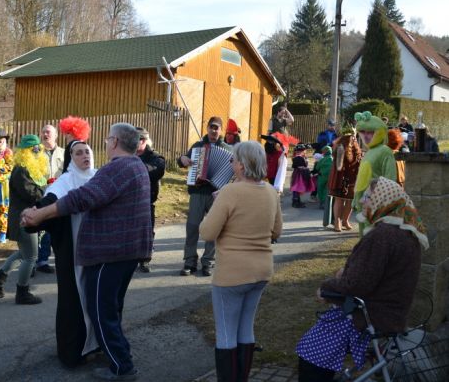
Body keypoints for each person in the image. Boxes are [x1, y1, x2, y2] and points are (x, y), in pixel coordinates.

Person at [21, 122, 152, 380]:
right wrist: (38, 212)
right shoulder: (135, 165)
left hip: (108, 253)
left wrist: (39, 215)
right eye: (78, 152)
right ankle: (107, 351)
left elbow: (82, 198)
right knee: (104, 306)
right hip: (108, 252)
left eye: (104, 141)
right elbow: (57, 196)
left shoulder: (116, 169)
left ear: (114, 143)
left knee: (101, 310)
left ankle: (121, 365)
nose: (88, 153)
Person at [296, 177, 427, 381]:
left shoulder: (382, 236)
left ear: (382, 200)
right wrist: (347, 271)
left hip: (371, 316)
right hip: (390, 313)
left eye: (367, 197)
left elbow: (357, 284)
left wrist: (325, 289)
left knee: (311, 355)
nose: (362, 202)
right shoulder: (406, 231)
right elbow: (371, 274)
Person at [199, 141, 282, 382]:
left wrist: (216, 203)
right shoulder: (269, 191)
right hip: (261, 270)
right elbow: (276, 231)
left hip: (232, 274)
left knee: (226, 334)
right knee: (246, 328)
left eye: (233, 159)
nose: (231, 163)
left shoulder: (229, 192)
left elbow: (206, 232)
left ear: (243, 165)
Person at [25, 140, 99, 367]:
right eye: (78, 153)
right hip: (72, 252)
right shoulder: (65, 181)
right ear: (70, 158)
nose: (84, 156)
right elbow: (50, 200)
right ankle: (72, 351)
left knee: (99, 299)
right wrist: (36, 212)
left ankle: (98, 344)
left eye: (87, 152)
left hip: (99, 251)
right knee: (73, 300)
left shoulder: (99, 177)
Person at [0, 135, 48, 304]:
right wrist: (47, 191)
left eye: (39, 149)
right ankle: (22, 292)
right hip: (24, 217)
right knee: (31, 257)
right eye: (34, 149)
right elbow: (31, 193)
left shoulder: (30, 169)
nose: (38, 152)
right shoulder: (21, 169)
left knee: (23, 253)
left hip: (27, 215)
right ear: (25, 152)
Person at [177, 116, 232, 277]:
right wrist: (183, 159)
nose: (214, 131)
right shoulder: (197, 146)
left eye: (217, 128)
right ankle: (189, 261)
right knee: (193, 226)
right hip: (198, 192)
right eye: (211, 127)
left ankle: (208, 261)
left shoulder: (228, 149)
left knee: (214, 228)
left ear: (221, 130)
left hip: (217, 194)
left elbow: (233, 172)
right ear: (207, 128)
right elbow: (182, 161)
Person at [353, 112, 397, 233]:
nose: (366, 136)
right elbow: (361, 178)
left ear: (380, 132)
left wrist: (383, 201)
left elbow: (390, 178)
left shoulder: (385, 151)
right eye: (363, 132)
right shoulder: (369, 151)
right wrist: (355, 198)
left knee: (372, 233)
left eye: (370, 132)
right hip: (362, 201)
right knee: (363, 232)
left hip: (375, 202)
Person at [135, 127, 165, 273]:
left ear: (144, 141)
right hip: (128, 201)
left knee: (147, 231)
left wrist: (133, 167)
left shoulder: (156, 157)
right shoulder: (127, 154)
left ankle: (145, 260)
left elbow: (156, 170)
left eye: (138, 139)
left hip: (146, 200)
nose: (134, 142)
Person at [36, 124, 65, 275]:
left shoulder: (64, 153)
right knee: (41, 229)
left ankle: (56, 258)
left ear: (55, 135)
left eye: (48, 132)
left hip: (59, 196)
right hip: (42, 195)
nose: (45, 134)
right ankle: (40, 260)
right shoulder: (36, 152)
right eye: (43, 132)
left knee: (56, 229)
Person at [328, 131, 362, 232]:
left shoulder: (355, 144)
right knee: (339, 199)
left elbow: (358, 158)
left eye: (354, 135)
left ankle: (345, 220)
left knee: (350, 200)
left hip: (352, 176)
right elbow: (339, 165)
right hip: (341, 177)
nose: (353, 137)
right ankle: (337, 222)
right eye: (352, 136)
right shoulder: (340, 146)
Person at [311, 146, 332, 211]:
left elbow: (317, 167)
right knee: (326, 189)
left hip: (322, 176)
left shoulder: (322, 160)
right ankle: (326, 202)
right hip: (330, 177)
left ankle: (321, 203)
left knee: (320, 189)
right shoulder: (333, 159)